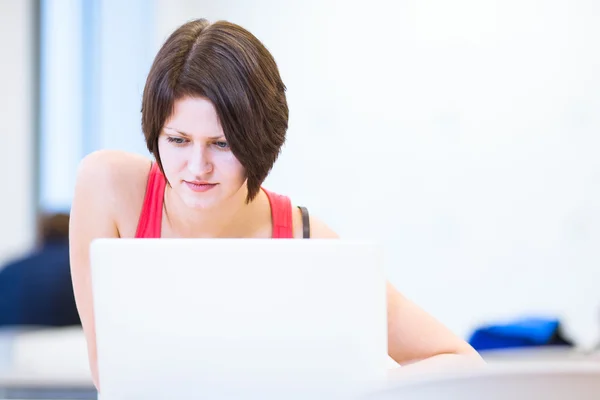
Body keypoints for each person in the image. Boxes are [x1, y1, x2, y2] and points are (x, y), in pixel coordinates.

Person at [69, 18, 482, 390]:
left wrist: (345, 386)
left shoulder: (309, 242)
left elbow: (463, 364)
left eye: (222, 144)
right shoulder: (107, 186)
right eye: (177, 140)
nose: (197, 167)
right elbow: (110, 374)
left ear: (258, 142)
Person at [0, 213, 80, 327]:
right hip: (67, 340)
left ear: (41, 234)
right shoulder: (76, 268)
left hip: (10, 342)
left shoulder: (8, 269)